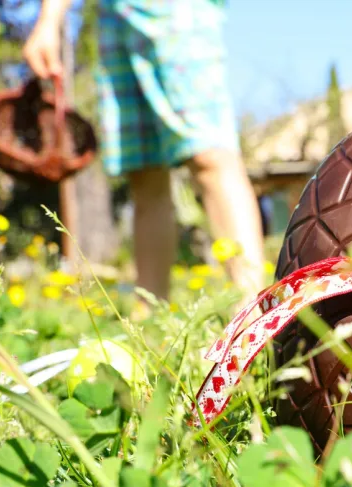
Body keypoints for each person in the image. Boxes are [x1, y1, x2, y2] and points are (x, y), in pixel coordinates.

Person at [22, 0, 267, 313]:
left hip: (177, 10)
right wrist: (49, 19)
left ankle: (255, 311)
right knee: (144, 170)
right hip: (115, 16)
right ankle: (151, 317)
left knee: (209, 153)